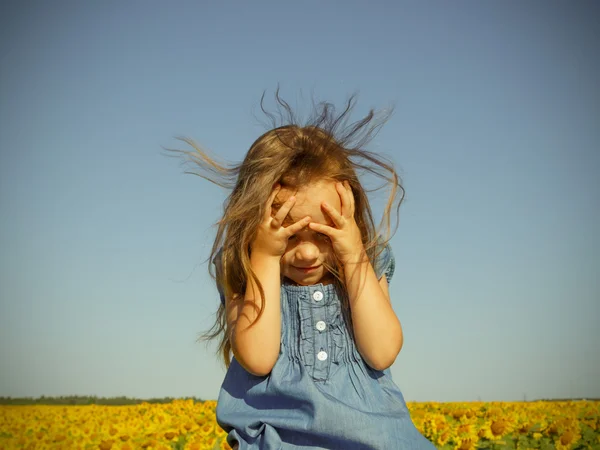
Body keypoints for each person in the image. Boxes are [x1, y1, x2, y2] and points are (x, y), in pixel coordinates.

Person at [174, 92, 436, 449]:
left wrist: (354, 256)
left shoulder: (366, 259)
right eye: (289, 235)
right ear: (254, 225)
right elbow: (258, 357)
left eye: (326, 233)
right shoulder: (244, 267)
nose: (307, 252)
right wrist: (265, 259)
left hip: (376, 437)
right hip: (278, 437)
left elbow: (383, 351)